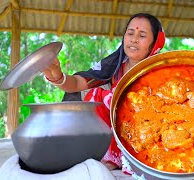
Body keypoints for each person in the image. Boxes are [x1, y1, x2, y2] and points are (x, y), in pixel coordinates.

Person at [43, 13, 165, 173]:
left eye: (142, 35)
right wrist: (58, 76)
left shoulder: (163, 70)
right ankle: (108, 155)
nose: (134, 39)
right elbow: (79, 83)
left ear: (155, 43)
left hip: (148, 135)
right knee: (95, 95)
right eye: (130, 33)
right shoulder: (113, 65)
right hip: (117, 132)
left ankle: (126, 159)